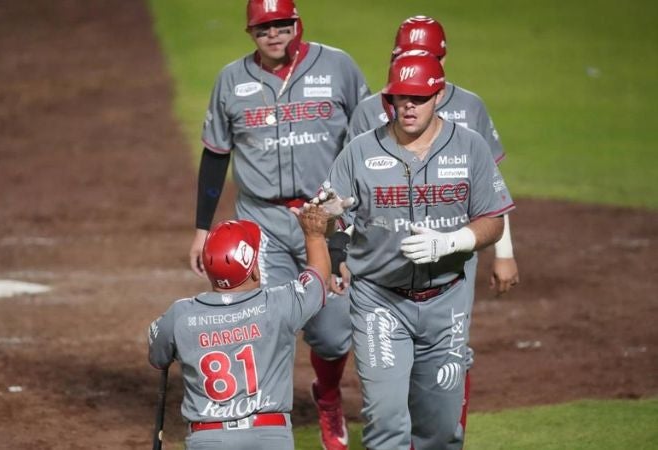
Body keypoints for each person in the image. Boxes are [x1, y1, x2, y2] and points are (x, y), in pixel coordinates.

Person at [188, 1, 370, 448]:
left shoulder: (339, 67)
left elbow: (367, 143)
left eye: (282, 24)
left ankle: (327, 396)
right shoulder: (231, 81)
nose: (274, 34)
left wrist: (349, 225)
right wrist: (200, 228)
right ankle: (262, 426)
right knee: (263, 324)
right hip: (261, 222)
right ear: (250, 32)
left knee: (331, 333)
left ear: (297, 23)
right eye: (263, 27)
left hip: (326, 218)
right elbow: (216, 155)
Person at [320, 54, 515, 449]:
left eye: (419, 97)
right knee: (386, 421)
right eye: (399, 97)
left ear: (439, 95)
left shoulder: (470, 147)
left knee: (441, 430)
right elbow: (331, 220)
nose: (407, 106)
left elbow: (493, 220)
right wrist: (331, 228)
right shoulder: (359, 151)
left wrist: (451, 241)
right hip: (379, 300)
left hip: (447, 301)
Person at [347, 15, 520, 296]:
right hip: (384, 250)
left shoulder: (469, 106)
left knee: (447, 333)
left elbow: (491, 187)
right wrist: (343, 250)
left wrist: (504, 252)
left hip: (455, 248)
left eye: (426, 56)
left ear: (444, 57)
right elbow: (353, 190)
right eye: (405, 56)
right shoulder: (368, 111)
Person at [149, 205, 332, 450]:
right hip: (269, 437)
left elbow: (157, 357)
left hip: (208, 439)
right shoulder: (279, 305)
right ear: (253, 269)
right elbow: (318, 279)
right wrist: (314, 235)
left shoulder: (180, 315)